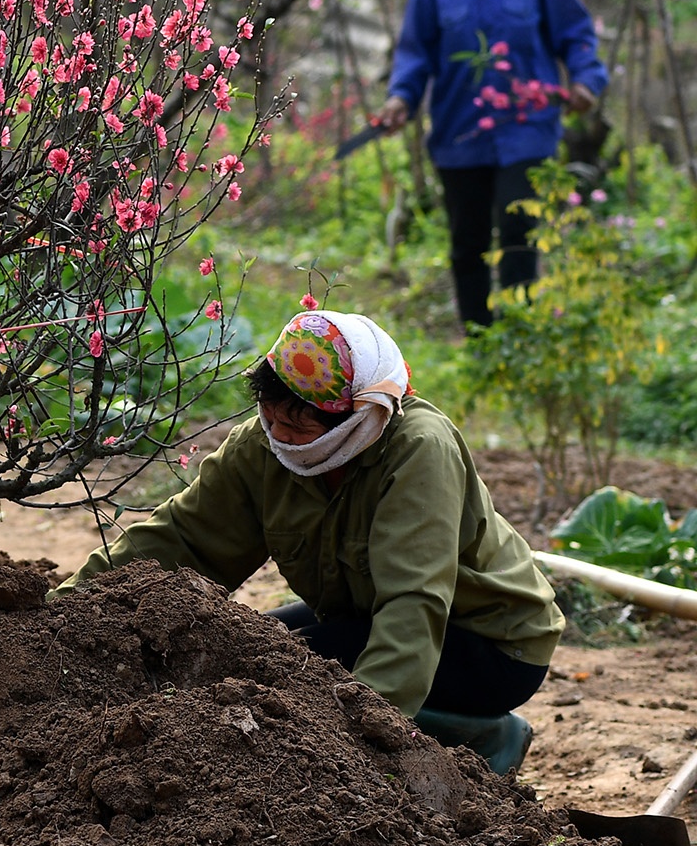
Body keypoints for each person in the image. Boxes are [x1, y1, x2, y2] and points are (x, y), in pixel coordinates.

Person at [57, 310, 562, 775]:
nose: (280, 436)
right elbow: (181, 537)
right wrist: (64, 612)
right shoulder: (262, 447)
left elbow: (415, 601)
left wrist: (355, 742)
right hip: (366, 620)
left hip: (491, 643)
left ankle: (476, 738)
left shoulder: (418, 449)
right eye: (271, 417)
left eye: (298, 427)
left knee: (286, 681)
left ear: (356, 415)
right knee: (242, 653)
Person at [376, 0, 606, 328]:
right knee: (469, 240)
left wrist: (585, 80)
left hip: (528, 128)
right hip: (460, 132)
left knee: (520, 230)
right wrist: (402, 98)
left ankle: (519, 338)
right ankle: (480, 339)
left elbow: (576, 31)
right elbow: (415, 52)